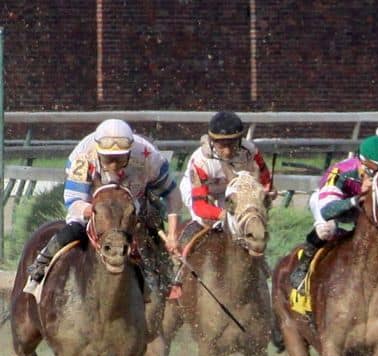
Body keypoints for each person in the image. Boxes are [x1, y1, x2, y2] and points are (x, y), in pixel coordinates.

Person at [23, 118, 180, 295]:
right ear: (98, 151)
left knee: (151, 230)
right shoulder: (84, 155)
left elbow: (172, 193)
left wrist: (173, 234)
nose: (113, 166)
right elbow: (74, 202)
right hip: (93, 203)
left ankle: (165, 280)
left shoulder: (148, 156)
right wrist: (96, 212)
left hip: (131, 207)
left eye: (120, 159)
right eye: (108, 159)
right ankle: (40, 265)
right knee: (75, 228)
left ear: (129, 152)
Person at [168, 110, 275, 299]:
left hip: (232, 190)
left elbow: (266, 182)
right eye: (221, 145)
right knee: (205, 223)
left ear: (240, 140)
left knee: (246, 224)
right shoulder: (200, 160)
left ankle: (260, 267)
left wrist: (266, 193)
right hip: (202, 192)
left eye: (232, 143)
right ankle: (178, 272)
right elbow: (201, 207)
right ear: (212, 141)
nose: (227, 151)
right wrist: (223, 215)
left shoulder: (250, 152)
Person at [289, 134, 378, 291]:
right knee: (327, 230)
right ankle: (304, 264)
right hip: (330, 203)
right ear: (363, 164)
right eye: (375, 172)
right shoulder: (341, 170)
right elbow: (327, 210)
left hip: (360, 208)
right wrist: (357, 199)